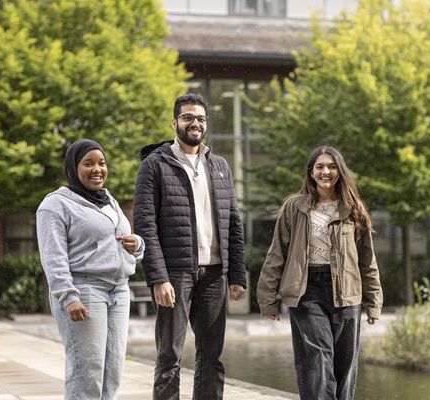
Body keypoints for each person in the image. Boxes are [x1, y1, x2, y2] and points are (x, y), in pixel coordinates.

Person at [133, 93, 247, 400]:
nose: (194, 123)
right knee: (169, 354)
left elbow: (233, 222)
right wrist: (158, 278)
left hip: (214, 275)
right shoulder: (155, 165)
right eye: (187, 117)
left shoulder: (220, 165)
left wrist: (236, 274)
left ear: (206, 124)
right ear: (175, 122)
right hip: (176, 273)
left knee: (212, 356)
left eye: (200, 118)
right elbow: (145, 225)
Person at [257, 145, 383, 400]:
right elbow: (276, 254)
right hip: (306, 291)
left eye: (331, 166)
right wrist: (267, 298)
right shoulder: (294, 207)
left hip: (346, 292)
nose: (326, 171)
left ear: (340, 171)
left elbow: (367, 260)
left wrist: (374, 303)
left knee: (345, 364)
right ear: (311, 172)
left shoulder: (354, 208)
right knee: (317, 357)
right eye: (320, 167)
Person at [36, 139, 145, 400]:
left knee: (113, 369)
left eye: (102, 163)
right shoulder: (55, 205)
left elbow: (123, 241)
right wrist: (68, 296)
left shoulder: (109, 201)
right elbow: (53, 256)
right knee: (87, 370)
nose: (97, 169)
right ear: (74, 168)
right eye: (88, 163)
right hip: (84, 290)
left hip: (118, 290)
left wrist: (137, 244)